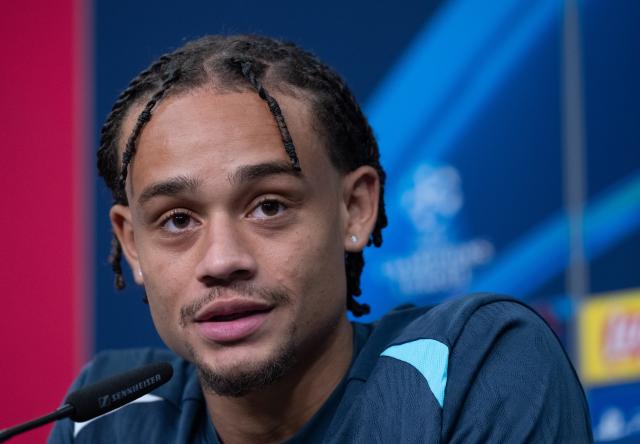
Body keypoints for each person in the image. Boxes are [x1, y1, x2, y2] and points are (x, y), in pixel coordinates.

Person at [49, 35, 593, 443]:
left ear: (355, 208)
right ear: (132, 244)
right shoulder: (111, 415)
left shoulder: (471, 363)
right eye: (177, 220)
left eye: (269, 206)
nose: (220, 260)